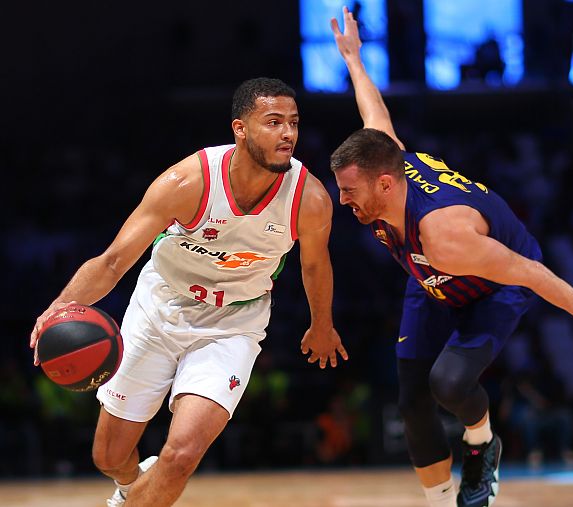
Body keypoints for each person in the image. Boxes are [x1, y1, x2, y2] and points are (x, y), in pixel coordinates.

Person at [330, 8, 573, 507]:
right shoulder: (383, 160)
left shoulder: (444, 234)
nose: (344, 200)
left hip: (495, 282)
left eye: (350, 192)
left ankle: (482, 444)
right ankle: (440, 503)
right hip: (431, 277)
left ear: (385, 184)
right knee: (411, 398)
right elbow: (376, 115)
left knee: (449, 383)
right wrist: (353, 58)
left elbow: (532, 273)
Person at [29, 77, 347, 507]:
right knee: (108, 456)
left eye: (293, 122)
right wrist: (59, 307)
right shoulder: (187, 182)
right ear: (240, 128)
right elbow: (113, 261)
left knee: (180, 456)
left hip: (233, 322)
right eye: (273, 122)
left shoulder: (309, 199)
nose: (288, 133)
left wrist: (322, 324)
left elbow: (314, 265)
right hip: (161, 305)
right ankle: (134, 487)